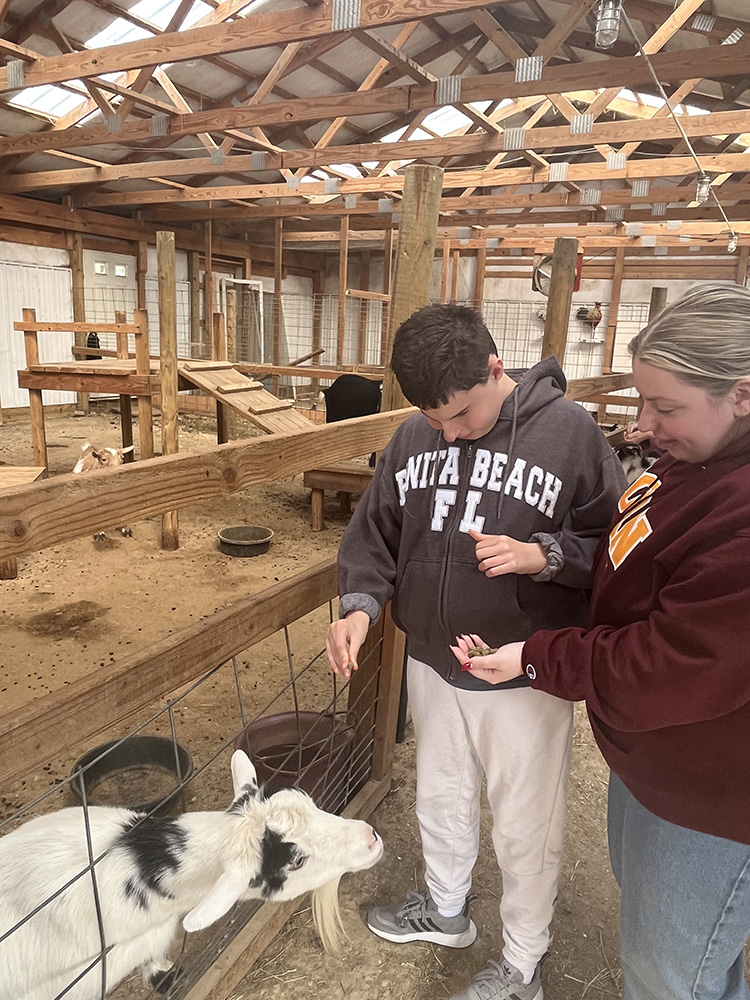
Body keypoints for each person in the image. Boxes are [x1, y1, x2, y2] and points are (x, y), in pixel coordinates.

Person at [451, 283, 750, 1000]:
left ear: (742, 394)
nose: (644, 426)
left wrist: (539, 655)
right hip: (659, 758)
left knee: (667, 974)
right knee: (694, 952)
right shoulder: (695, 459)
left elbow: (668, 664)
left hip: (713, 797)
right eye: (643, 401)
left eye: (666, 407)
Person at [325, 303, 626, 1000]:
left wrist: (541, 554)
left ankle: (523, 964)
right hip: (434, 660)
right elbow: (376, 532)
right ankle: (446, 909)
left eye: (460, 415)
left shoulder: (572, 435)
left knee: (526, 822)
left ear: (497, 368)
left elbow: (613, 547)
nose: (448, 433)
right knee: (443, 794)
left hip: (525, 669)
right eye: (435, 421)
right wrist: (360, 607)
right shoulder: (414, 437)